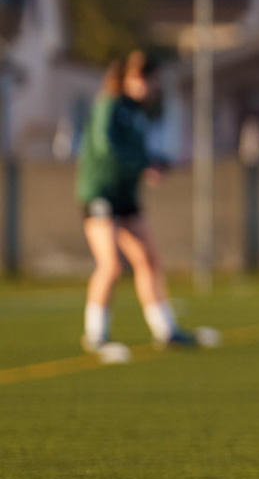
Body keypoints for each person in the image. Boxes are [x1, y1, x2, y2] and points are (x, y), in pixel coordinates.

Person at [77, 52, 199, 353]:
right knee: (112, 265)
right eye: (144, 79)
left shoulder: (138, 113)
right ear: (129, 77)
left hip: (126, 195)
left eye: (152, 81)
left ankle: (165, 329)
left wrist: (160, 163)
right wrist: (145, 164)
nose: (149, 87)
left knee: (149, 260)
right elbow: (107, 148)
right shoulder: (109, 104)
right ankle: (95, 333)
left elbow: (140, 153)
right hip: (100, 193)